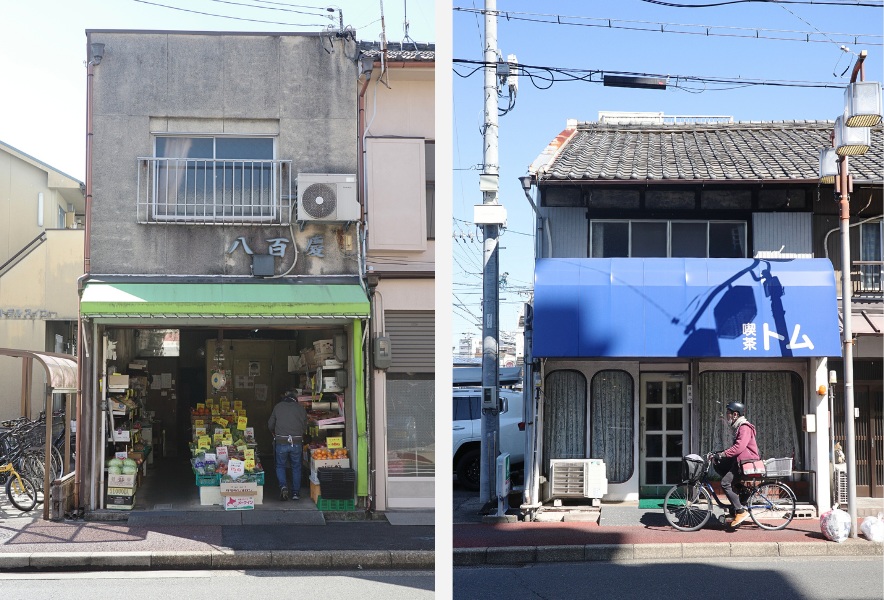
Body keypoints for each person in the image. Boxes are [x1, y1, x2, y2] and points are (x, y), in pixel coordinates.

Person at [714, 401, 760, 527]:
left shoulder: (744, 427)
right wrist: (718, 455)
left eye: (728, 413)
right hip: (741, 461)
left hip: (746, 462)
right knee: (720, 465)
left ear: (735, 414)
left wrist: (723, 454)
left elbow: (739, 447)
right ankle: (742, 495)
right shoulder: (739, 426)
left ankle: (740, 511)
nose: (727, 415)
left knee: (725, 483)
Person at [268, 391, 308, 501]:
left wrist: (274, 433)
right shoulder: (301, 409)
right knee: (296, 467)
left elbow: (270, 425)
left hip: (281, 441)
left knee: (280, 465)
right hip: (296, 442)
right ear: (295, 399)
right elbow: (305, 426)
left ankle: (283, 486)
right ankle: (295, 493)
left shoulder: (278, 407)